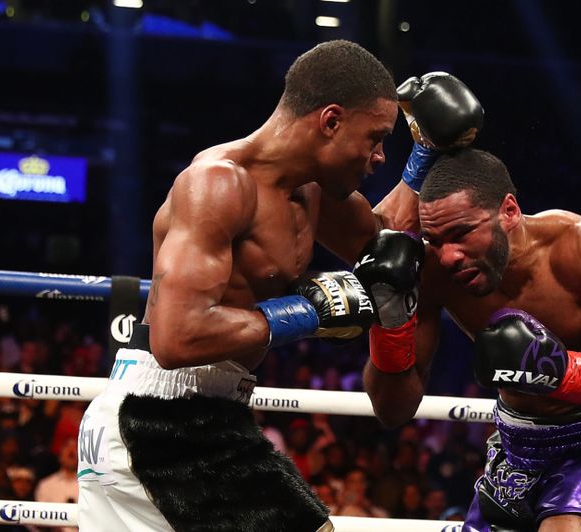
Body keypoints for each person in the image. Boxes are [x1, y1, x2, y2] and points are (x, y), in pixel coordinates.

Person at [77, 40, 406, 532]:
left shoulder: (312, 191)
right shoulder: (218, 184)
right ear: (331, 121)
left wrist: (429, 154)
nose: (380, 157)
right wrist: (308, 314)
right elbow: (175, 337)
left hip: (204, 416)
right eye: (375, 138)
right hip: (157, 419)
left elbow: (385, 244)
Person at [355, 148, 581, 532]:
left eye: (461, 234)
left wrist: (564, 371)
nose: (449, 256)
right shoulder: (435, 272)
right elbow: (393, 410)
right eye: (435, 240)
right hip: (514, 447)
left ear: (509, 211)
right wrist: (390, 322)